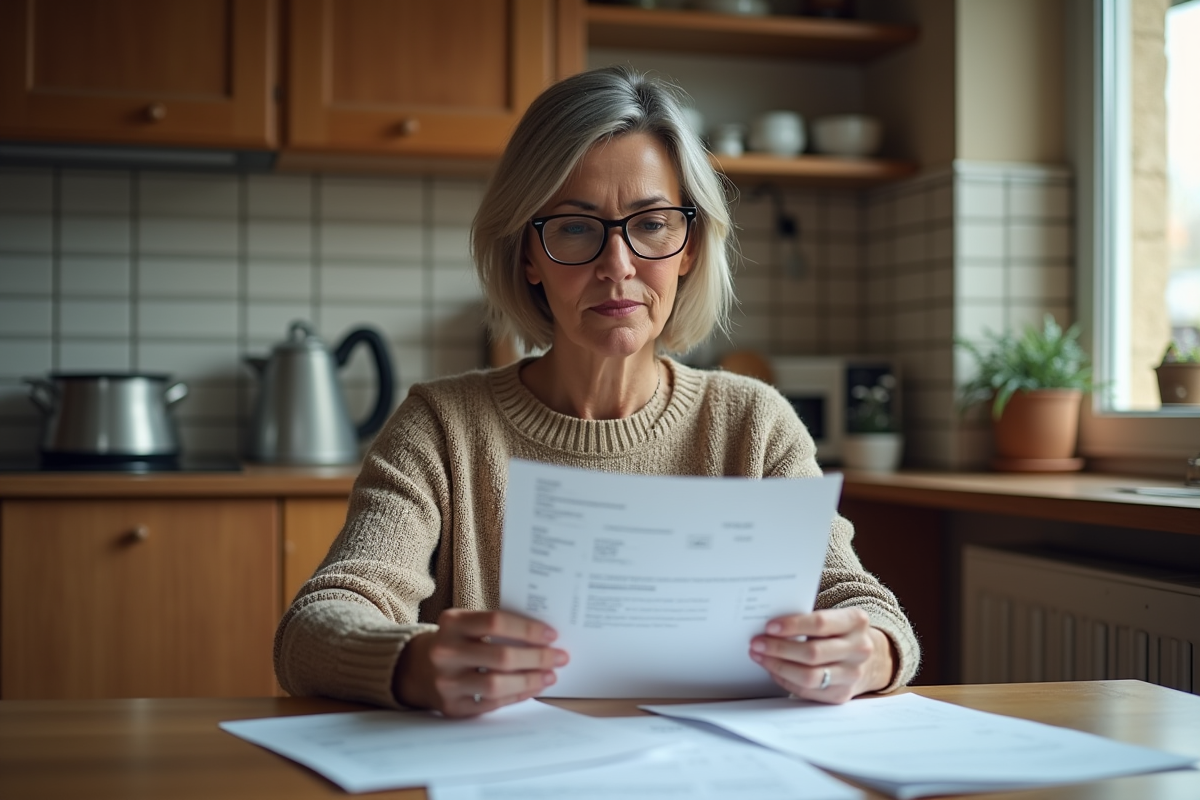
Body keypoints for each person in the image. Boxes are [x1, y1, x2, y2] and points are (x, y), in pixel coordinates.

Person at [274, 66, 920, 718]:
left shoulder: (754, 423)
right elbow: (314, 627)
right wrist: (411, 662)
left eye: (652, 224)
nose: (618, 266)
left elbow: (861, 603)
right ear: (528, 254)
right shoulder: (440, 426)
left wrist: (872, 652)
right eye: (576, 228)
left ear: (688, 246)